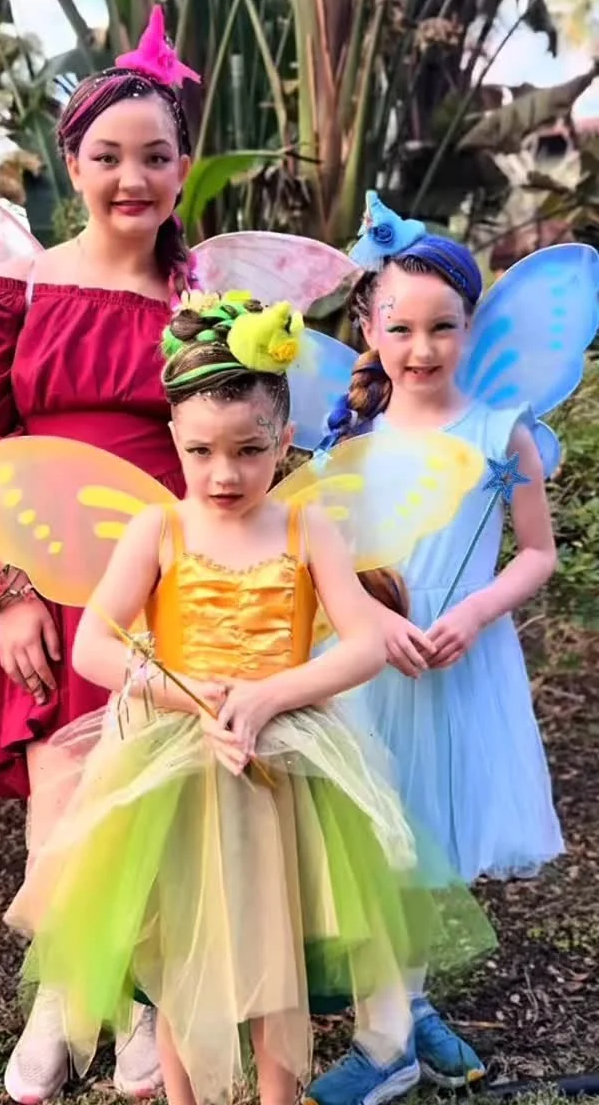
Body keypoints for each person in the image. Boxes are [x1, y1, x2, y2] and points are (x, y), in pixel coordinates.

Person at [0, 292, 494, 1105]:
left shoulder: (306, 530)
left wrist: (269, 697)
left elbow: (364, 643)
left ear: (284, 440)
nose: (224, 473)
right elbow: (94, 645)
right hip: (173, 771)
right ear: (174, 440)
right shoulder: (158, 530)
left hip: (284, 769)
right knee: (176, 955)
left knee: (276, 955)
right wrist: (180, 693)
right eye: (201, 451)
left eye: (250, 450)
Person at [0, 5, 199, 1103]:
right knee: (62, 781)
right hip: (46, 573)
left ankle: (146, 993)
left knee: (150, 775)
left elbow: (233, 438)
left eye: (154, 156)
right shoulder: (14, 293)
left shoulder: (201, 302)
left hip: (165, 571)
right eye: (108, 156)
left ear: (183, 168)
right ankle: (61, 993)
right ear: (72, 165)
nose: (131, 178)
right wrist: (7, 589)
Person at [305, 198, 564, 1105]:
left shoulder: (501, 433)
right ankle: (396, 1016)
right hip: (368, 668)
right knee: (375, 841)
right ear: (368, 328)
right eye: (401, 328)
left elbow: (537, 553)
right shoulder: (351, 442)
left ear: (470, 327)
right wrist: (373, 625)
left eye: (442, 327)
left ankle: (392, 1033)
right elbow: (329, 562)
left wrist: (477, 613)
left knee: (422, 840)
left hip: (457, 667)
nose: (421, 349)